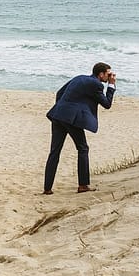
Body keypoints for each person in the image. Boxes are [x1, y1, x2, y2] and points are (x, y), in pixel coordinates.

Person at [43, 62, 116, 195]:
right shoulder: (97, 84)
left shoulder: (79, 77)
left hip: (58, 114)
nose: (110, 76)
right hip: (70, 118)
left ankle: (47, 188)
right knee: (83, 148)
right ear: (101, 74)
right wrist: (111, 85)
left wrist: (63, 108)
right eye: (108, 74)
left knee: (54, 151)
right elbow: (107, 104)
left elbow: (60, 93)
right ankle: (83, 185)